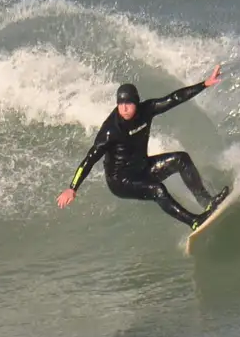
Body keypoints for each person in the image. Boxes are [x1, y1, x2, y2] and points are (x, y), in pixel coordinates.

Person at [57, 65, 228, 228]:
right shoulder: (110, 131)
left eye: (128, 103)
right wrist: (72, 188)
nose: (124, 108)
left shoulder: (146, 110)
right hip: (121, 181)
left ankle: (207, 202)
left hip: (143, 167)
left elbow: (174, 98)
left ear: (136, 103)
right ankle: (194, 222)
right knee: (157, 190)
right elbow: (90, 159)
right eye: (120, 103)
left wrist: (204, 84)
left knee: (181, 159)